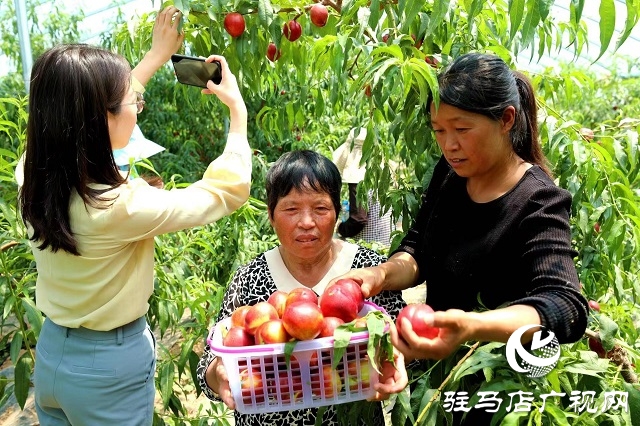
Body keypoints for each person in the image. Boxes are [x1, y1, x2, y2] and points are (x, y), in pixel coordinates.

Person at [16, 6, 252, 425]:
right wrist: (238, 113)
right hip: (107, 367)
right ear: (99, 119)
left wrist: (153, 58)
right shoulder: (120, 206)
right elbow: (224, 192)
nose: (138, 107)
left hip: (53, 353)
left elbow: (90, 120)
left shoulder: (32, 175)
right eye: (132, 103)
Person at [329, 53, 589, 423]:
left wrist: (469, 327)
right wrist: (380, 275)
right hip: (433, 383)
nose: (449, 144)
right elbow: (419, 247)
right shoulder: (451, 174)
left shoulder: (537, 200)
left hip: (499, 391)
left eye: (462, 129)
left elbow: (565, 305)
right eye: (439, 130)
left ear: (506, 120)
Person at [196, 150, 408, 426]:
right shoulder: (249, 278)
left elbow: (401, 345)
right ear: (271, 216)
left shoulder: (366, 271)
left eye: (320, 208)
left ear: (337, 213)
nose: (306, 222)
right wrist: (220, 375)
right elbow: (211, 364)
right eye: (291, 209)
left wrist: (395, 355)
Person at [332, 128, 395, 246]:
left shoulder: (358, 178)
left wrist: (340, 228)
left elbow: (358, 219)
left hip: (369, 246)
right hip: (385, 241)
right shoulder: (380, 173)